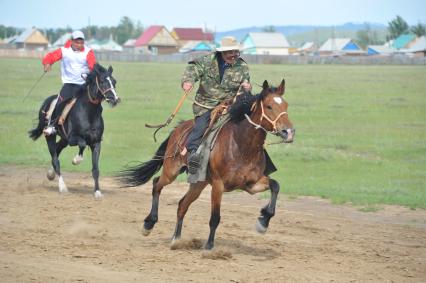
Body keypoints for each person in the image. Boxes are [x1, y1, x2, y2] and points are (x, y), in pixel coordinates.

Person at [181, 36, 251, 176]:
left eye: (236, 52)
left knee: (250, 127)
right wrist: (188, 81)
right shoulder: (206, 62)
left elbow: (246, 84)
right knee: (201, 126)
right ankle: (193, 154)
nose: (234, 55)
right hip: (206, 105)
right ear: (222, 52)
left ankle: (258, 161)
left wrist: (247, 87)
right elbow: (192, 70)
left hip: (230, 106)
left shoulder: (242, 66)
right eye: (230, 52)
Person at [42, 30, 96, 135]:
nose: (79, 44)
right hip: (69, 84)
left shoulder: (88, 52)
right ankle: (52, 126)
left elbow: (92, 65)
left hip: (84, 85)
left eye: (81, 42)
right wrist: (47, 63)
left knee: (95, 102)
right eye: (77, 42)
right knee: (59, 103)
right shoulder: (64, 50)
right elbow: (51, 56)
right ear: (72, 41)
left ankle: (96, 128)